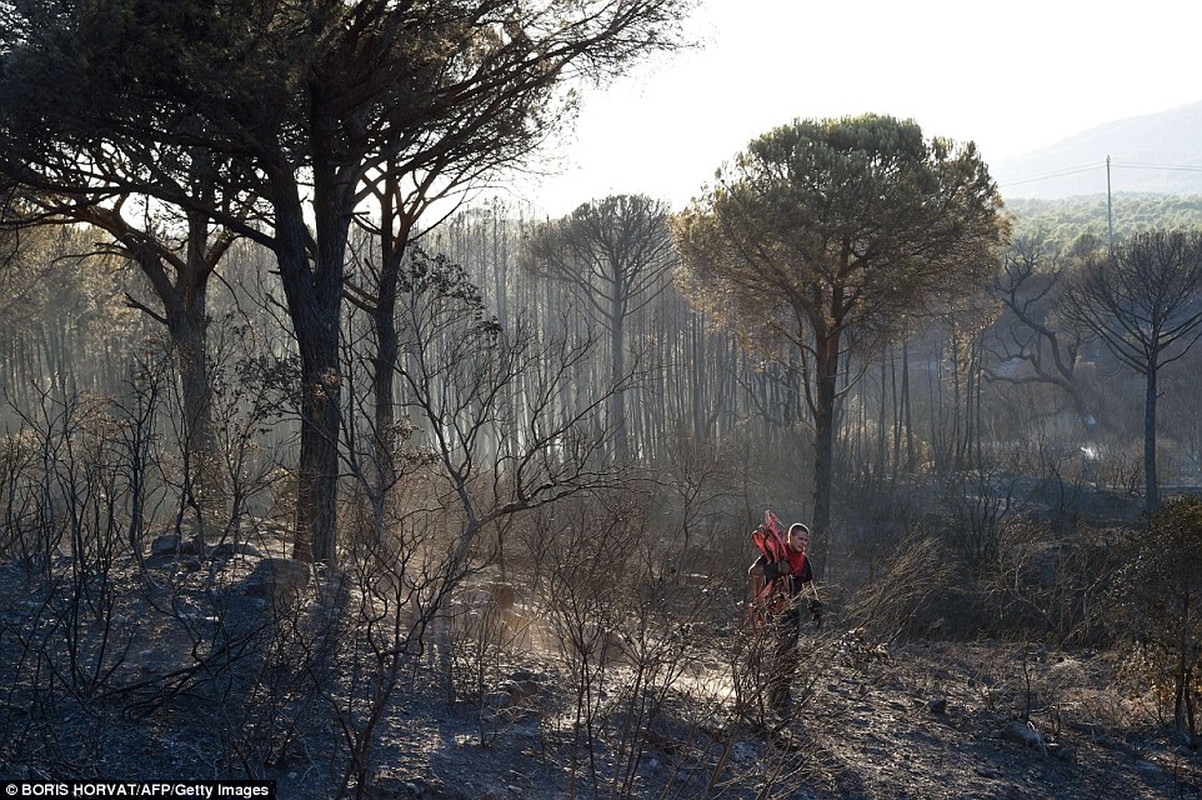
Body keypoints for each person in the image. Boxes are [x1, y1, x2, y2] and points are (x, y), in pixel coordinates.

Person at [748, 522, 821, 713]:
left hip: (792, 611)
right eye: (800, 538)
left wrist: (815, 605)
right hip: (774, 609)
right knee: (783, 652)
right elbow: (753, 571)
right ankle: (775, 697)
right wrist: (778, 569)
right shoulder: (776, 553)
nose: (803, 542)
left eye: (806, 539)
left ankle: (782, 694)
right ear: (790, 537)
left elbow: (808, 584)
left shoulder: (803, 560)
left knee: (791, 654)